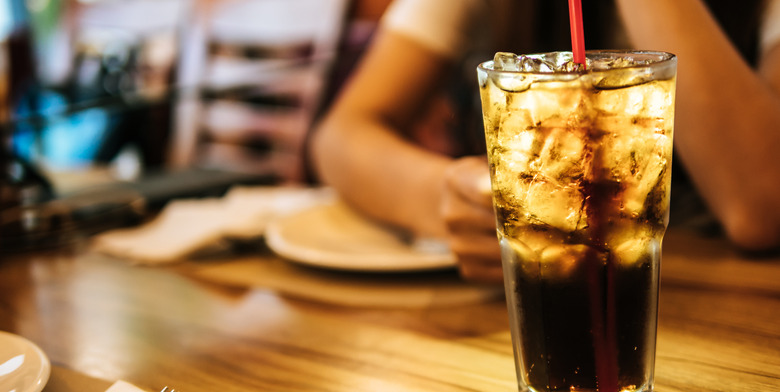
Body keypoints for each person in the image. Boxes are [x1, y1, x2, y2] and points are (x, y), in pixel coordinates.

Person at [311, 0, 780, 284]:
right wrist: (451, 198)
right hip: (524, 319)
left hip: (727, 317)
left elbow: (762, 204)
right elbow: (340, 135)